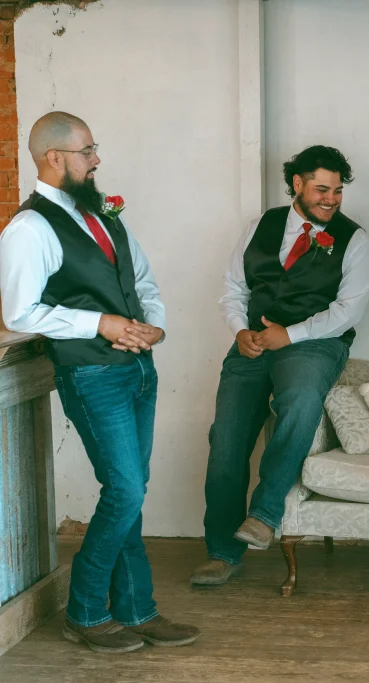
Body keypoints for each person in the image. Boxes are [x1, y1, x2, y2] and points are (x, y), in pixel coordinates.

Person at [0, 112, 198, 653]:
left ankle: (137, 610)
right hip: (90, 375)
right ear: (54, 158)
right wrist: (101, 324)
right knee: (126, 490)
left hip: (138, 371)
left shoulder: (106, 216)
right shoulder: (29, 228)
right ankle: (86, 612)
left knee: (130, 494)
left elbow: (141, 280)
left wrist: (150, 322)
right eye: (87, 151)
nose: (97, 160)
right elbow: (19, 314)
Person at [191, 145, 369, 586]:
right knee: (226, 441)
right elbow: (233, 286)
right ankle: (222, 553)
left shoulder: (356, 240)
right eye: (321, 189)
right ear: (297, 184)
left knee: (300, 402)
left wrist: (288, 335)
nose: (331, 198)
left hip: (314, 344)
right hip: (252, 343)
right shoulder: (261, 225)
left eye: (337, 190)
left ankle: (265, 512)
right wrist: (240, 330)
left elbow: (348, 311)